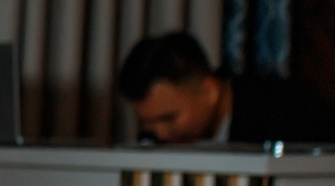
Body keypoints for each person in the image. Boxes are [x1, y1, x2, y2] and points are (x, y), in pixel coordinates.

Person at [119, 31, 335, 145]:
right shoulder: (153, 141)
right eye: (148, 123)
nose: (160, 133)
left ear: (210, 91)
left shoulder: (287, 112)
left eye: (169, 118)